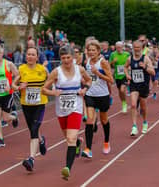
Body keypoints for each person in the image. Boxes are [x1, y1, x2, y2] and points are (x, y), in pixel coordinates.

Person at [42, 45, 91, 179]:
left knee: (70, 138)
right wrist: (53, 92)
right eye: (63, 58)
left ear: (73, 57)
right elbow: (43, 89)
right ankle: (78, 144)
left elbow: (89, 80)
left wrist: (84, 89)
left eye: (68, 57)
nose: (66, 60)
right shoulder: (56, 72)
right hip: (61, 110)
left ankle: (67, 168)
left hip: (76, 107)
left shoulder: (80, 70)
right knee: (68, 138)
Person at [12, 47, 48, 172]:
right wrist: (18, 87)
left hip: (40, 104)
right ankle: (41, 140)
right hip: (26, 105)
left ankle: (31, 159)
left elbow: (51, 81)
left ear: (37, 57)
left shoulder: (42, 70)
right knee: (33, 129)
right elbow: (13, 85)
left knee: (34, 129)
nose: (30, 56)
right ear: (26, 56)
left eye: (33, 54)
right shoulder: (21, 69)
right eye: (28, 54)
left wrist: (50, 89)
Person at [81, 39, 114, 158]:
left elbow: (111, 79)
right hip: (90, 94)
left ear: (98, 51)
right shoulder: (87, 61)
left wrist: (98, 73)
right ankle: (88, 148)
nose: (91, 52)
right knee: (89, 120)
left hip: (102, 95)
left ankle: (106, 141)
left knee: (104, 119)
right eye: (89, 50)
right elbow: (87, 77)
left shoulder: (103, 62)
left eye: (93, 50)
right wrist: (83, 80)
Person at [124, 40, 155, 136]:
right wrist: (127, 75)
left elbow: (153, 72)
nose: (136, 49)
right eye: (135, 47)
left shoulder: (145, 59)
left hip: (144, 85)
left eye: (138, 47)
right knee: (133, 105)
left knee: (143, 107)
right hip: (134, 84)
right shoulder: (130, 58)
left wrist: (145, 67)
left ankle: (145, 122)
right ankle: (134, 126)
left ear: (142, 48)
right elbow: (125, 67)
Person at [109, 41, 130, 113]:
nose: (118, 49)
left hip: (125, 74)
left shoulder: (127, 54)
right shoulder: (113, 54)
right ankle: (124, 102)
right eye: (117, 47)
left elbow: (130, 63)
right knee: (120, 92)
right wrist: (113, 62)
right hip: (117, 75)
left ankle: (124, 104)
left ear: (122, 47)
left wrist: (128, 68)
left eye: (120, 47)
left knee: (122, 89)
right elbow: (109, 64)